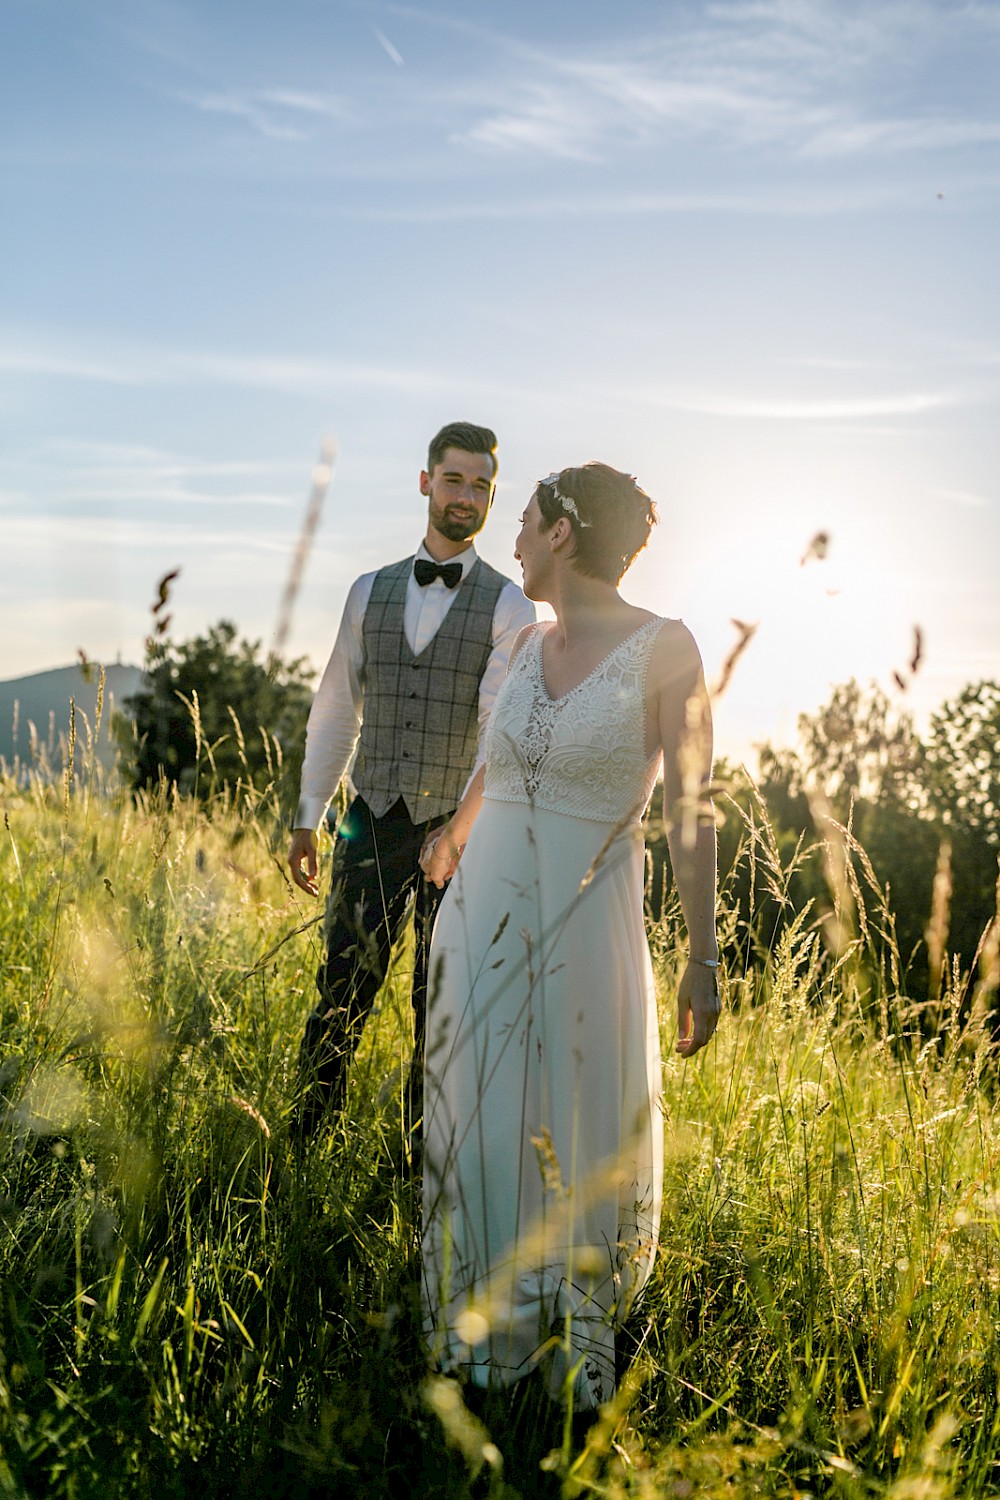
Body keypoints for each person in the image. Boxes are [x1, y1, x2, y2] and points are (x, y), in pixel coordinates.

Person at [419, 463, 720, 1410]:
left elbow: (693, 812)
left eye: (525, 520)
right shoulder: (520, 645)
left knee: (574, 1125)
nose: (511, 537)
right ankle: (479, 1342)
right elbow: (496, 762)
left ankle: (568, 1354)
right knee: (482, 1119)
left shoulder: (668, 648)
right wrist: (454, 837)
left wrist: (704, 958)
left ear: (562, 533)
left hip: (589, 922)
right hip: (481, 922)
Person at [287, 421, 535, 1139]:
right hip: (367, 820)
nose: (467, 495)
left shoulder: (512, 606)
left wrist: (461, 831)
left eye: (482, 485)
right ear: (426, 482)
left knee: (442, 1011)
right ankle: (303, 1145)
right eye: (454, 479)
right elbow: (337, 706)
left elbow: (500, 729)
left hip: (458, 839)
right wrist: (310, 813)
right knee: (338, 992)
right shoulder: (369, 591)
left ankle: (420, 1176)